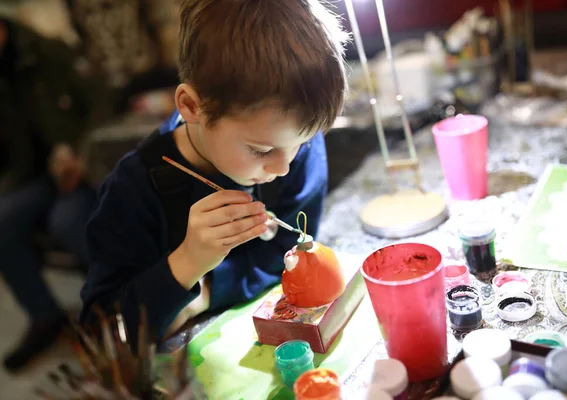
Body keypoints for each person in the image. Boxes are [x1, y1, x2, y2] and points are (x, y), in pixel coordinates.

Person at [80, 0, 349, 341]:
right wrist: (188, 263)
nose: (283, 167)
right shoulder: (132, 190)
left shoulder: (294, 139)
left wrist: (207, 292)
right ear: (193, 107)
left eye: (302, 142)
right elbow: (101, 335)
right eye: (260, 150)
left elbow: (284, 255)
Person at [0, 18, 96, 372]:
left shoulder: (49, 52)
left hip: (81, 166)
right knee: (3, 219)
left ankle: (116, 306)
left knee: (68, 220)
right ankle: (45, 318)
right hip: (33, 177)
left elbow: (100, 103)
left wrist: (77, 153)